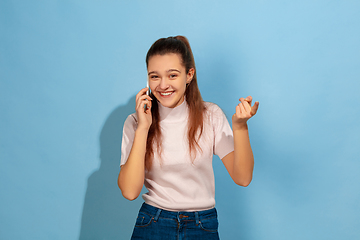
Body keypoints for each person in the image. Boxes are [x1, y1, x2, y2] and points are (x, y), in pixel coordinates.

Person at [117, 36, 259, 240]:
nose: (163, 85)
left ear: (189, 74)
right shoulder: (135, 121)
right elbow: (130, 192)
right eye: (154, 76)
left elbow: (243, 177)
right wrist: (143, 129)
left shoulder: (210, 115)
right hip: (153, 223)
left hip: (202, 226)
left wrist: (240, 126)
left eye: (172, 75)